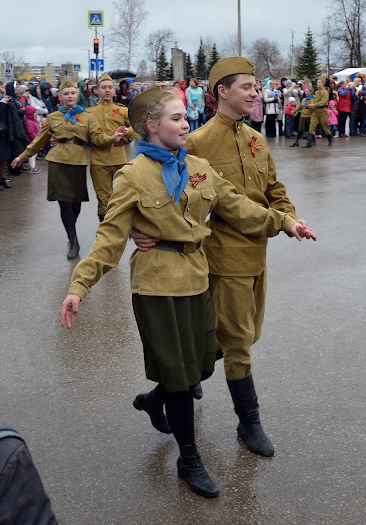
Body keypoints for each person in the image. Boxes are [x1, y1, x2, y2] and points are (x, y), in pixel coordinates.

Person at [60, 85, 314, 498]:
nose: (186, 124)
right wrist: (80, 285)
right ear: (151, 125)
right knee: (180, 380)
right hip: (157, 285)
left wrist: (284, 222)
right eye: (176, 118)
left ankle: (152, 400)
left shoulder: (198, 167)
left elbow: (235, 205)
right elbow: (109, 238)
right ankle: (188, 459)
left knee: (201, 369)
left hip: (198, 278)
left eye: (185, 117)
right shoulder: (133, 175)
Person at [131, 58, 317, 459]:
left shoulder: (256, 138)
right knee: (237, 344)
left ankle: (156, 397)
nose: (255, 93)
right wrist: (135, 226)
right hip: (221, 257)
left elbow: (274, 188)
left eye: (256, 86)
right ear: (221, 92)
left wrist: (290, 214)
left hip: (258, 252)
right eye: (247, 87)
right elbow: (151, 183)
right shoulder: (196, 142)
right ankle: (249, 421)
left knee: (220, 342)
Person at [11, 79, 127, 258]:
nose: (70, 96)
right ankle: (73, 240)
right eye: (66, 93)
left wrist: (114, 138)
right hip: (58, 162)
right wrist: (22, 157)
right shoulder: (53, 117)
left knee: (76, 206)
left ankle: (71, 230)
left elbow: (98, 139)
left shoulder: (88, 117)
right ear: (61, 96)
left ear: (77, 94)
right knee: (64, 203)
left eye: (73, 93)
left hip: (78, 163)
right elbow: (39, 140)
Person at [86, 74, 137, 222]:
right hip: (98, 161)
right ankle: (105, 232)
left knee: (120, 197)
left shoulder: (122, 110)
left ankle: (119, 229)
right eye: (103, 88)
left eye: (110, 87)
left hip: (119, 159)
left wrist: (129, 132)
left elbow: (137, 128)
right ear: (97, 90)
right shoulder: (90, 112)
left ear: (114, 91)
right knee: (104, 200)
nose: (107, 90)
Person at [305, 77, 333, 147]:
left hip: (322, 111)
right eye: (317, 82)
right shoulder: (316, 92)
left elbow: (323, 102)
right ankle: (309, 143)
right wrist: (312, 104)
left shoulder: (325, 92)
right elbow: (315, 100)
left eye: (319, 82)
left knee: (325, 127)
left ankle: (330, 140)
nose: (318, 84)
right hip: (315, 111)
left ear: (323, 83)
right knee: (312, 126)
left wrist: (314, 104)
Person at [23, 106, 41, 173]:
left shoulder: (32, 121)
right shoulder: (29, 122)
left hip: (34, 140)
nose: (35, 114)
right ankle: (32, 168)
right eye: (34, 113)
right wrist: (36, 138)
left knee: (34, 154)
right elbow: (31, 132)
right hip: (32, 141)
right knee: (32, 155)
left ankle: (32, 167)